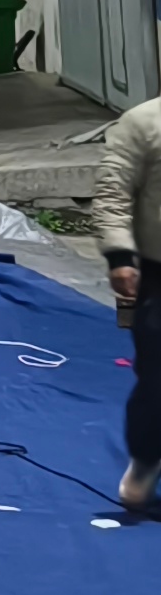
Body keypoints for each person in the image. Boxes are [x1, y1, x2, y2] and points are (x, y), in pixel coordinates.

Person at [91, 90, 161, 507]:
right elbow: (112, 194)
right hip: (153, 273)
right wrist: (119, 256)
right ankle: (145, 461)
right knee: (157, 378)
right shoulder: (143, 122)